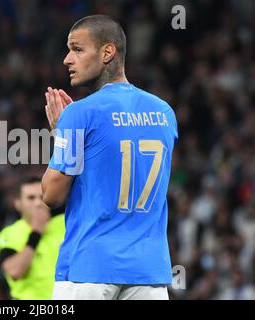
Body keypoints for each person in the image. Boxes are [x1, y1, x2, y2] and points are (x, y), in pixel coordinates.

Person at [42, 15, 178, 300]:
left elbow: (52, 195)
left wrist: (60, 134)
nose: (67, 59)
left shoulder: (79, 113)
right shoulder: (164, 112)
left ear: (107, 52)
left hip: (89, 269)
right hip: (149, 273)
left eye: (77, 49)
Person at [0, 177, 65, 300]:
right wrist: (36, 233)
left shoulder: (66, 222)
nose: (38, 203)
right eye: (31, 198)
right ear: (18, 203)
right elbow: (14, 271)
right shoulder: (9, 234)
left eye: (42, 197)